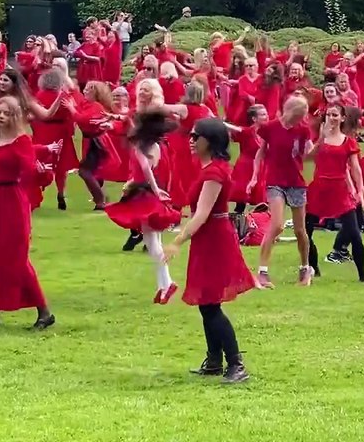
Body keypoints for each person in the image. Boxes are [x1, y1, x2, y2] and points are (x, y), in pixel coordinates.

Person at [163, 118, 256, 383]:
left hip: (215, 239)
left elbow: (202, 214)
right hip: (208, 239)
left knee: (211, 305)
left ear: (210, 140)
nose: (191, 140)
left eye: (196, 136)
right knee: (206, 304)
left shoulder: (215, 172)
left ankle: (236, 363)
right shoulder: (208, 168)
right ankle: (215, 359)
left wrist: (177, 241)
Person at [0, 97, 55, 330]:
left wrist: (40, 170)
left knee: (15, 259)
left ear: (15, 117)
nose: (1, 117)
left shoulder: (22, 141)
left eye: (7, 113)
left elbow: (29, 170)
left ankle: (44, 311)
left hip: (11, 202)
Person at [103, 109, 181, 303]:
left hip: (145, 196)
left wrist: (153, 189)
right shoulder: (158, 146)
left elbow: (145, 170)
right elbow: (149, 170)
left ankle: (167, 282)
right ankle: (163, 284)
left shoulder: (141, 146)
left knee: (152, 242)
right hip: (149, 193)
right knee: (155, 239)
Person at [252, 95, 314, 288]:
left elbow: (308, 155)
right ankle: (262, 272)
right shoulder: (270, 128)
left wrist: (319, 147)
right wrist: (255, 175)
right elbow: (261, 152)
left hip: (296, 181)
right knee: (277, 225)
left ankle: (305, 268)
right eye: (298, 116)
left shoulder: (303, 130)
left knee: (300, 230)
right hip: (275, 180)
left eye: (303, 116)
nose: (300, 120)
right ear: (289, 112)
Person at [304, 105, 364, 282]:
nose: (331, 117)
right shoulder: (321, 139)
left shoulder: (348, 141)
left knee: (354, 233)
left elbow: (355, 168)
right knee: (306, 232)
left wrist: (359, 189)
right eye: (329, 114)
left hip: (340, 189)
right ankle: (313, 267)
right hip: (319, 188)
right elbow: (308, 157)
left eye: (335, 115)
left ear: (342, 118)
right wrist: (321, 138)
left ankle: (362, 276)